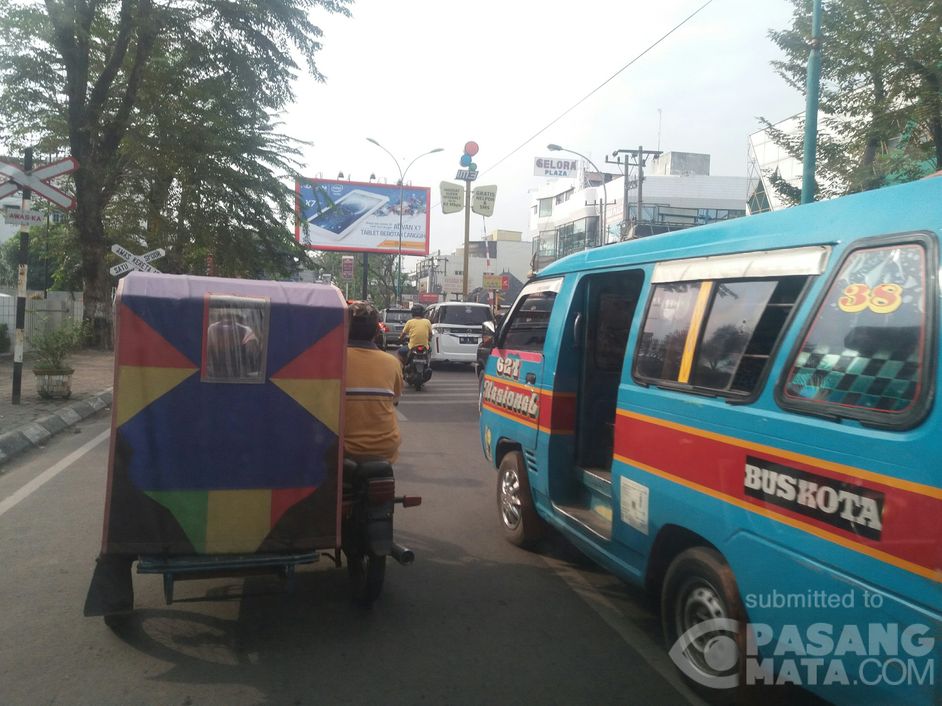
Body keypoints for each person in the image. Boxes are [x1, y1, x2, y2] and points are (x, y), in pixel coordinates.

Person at [344, 301, 403, 462]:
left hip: (343, 448)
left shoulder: (332, 359)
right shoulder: (392, 362)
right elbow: (395, 400)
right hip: (385, 448)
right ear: (377, 332)